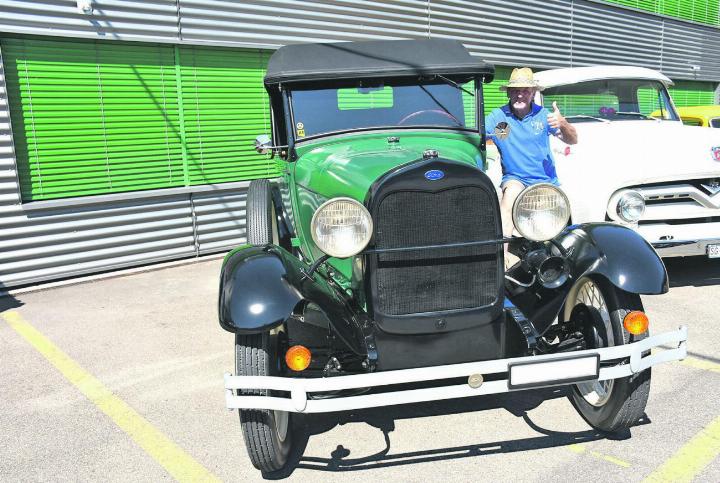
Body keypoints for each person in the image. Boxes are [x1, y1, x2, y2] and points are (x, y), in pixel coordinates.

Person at [485, 67, 577, 265]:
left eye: (525, 90)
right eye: (516, 90)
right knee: (508, 197)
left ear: (533, 93)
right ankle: (502, 256)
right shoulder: (498, 118)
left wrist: (562, 123)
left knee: (560, 221)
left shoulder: (544, 116)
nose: (520, 95)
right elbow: (476, 136)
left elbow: (573, 140)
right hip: (516, 179)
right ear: (508, 92)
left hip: (545, 182)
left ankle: (559, 260)